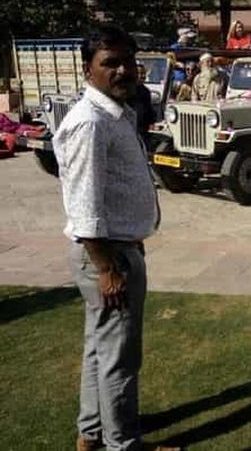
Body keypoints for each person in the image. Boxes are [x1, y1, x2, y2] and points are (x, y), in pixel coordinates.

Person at [52, 25, 176, 451]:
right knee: (119, 359)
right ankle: (123, 444)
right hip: (108, 256)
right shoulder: (90, 123)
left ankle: (90, 435)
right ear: (88, 70)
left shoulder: (114, 113)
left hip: (116, 251)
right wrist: (107, 269)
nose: (122, 70)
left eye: (127, 61)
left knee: (98, 349)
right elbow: (84, 206)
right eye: (110, 63)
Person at [130, 62, 156, 137]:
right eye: (139, 73)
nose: (141, 76)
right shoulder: (128, 91)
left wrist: (152, 123)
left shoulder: (145, 91)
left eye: (143, 73)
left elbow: (148, 110)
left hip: (143, 130)